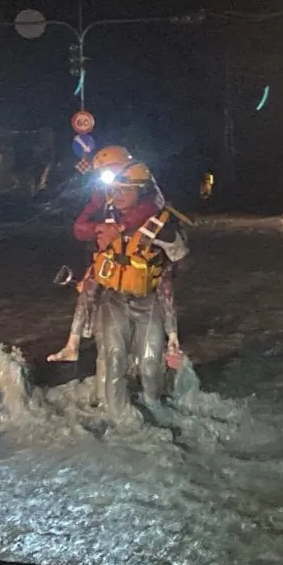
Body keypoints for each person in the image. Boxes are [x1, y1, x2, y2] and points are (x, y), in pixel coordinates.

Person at [74, 160, 188, 423]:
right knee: (114, 359)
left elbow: (179, 260)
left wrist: (172, 328)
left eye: (126, 190)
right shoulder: (106, 219)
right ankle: (119, 419)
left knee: (149, 364)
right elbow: (83, 234)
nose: (118, 195)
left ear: (141, 191)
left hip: (148, 301)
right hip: (114, 299)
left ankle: (153, 405)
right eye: (115, 189)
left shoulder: (160, 226)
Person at [47, 145, 133, 362]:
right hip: (108, 255)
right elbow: (80, 227)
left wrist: (121, 228)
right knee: (87, 289)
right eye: (104, 172)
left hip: (139, 254)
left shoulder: (143, 191)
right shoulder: (101, 196)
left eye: (112, 169)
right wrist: (99, 228)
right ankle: (72, 345)